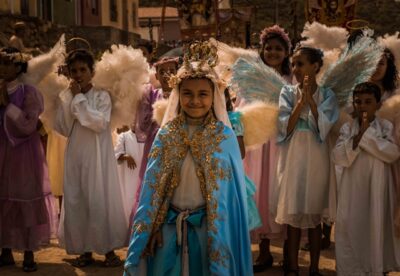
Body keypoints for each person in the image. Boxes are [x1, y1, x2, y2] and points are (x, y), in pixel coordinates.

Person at [124, 41, 253, 275]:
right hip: (168, 226)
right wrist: (153, 226)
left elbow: (228, 197)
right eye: (187, 94)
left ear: (214, 95)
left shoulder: (224, 137)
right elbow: (154, 188)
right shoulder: (167, 134)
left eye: (203, 94)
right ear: (177, 95)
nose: (195, 100)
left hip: (209, 230)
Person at [55, 49, 128, 267]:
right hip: (76, 152)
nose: (78, 74)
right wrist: (71, 99)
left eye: (83, 70)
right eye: (74, 71)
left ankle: (108, 250)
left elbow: (98, 123)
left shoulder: (101, 95)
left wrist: (78, 99)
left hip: (98, 154)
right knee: (78, 198)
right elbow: (64, 127)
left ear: (92, 71)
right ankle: (84, 249)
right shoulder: (67, 96)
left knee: (100, 198)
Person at [274, 46, 339, 275]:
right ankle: (292, 266)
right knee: (293, 210)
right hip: (295, 155)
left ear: (316, 66)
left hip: (318, 155)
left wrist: (311, 101)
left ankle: (313, 267)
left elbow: (325, 127)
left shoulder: (327, 95)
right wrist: (301, 102)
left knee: (314, 209)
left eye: (300, 64)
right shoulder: (287, 93)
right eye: (294, 64)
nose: (296, 69)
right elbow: (284, 127)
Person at [333, 82, 400, 274]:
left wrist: (366, 136)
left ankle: (374, 268)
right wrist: (356, 139)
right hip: (352, 188)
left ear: (378, 105)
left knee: (375, 223)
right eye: (358, 102)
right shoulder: (347, 128)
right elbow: (337, 156)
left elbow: (393, 153)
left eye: (368, 102)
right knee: (349, 224)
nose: (362, 106)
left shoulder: (385, 127)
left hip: (377, 186)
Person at [0, 47, 57, 272]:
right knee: (3, 198)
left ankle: (28, 252)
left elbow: (28, 124)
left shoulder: (28, 92)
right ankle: (5, 250)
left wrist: (7, 104)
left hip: (24, 154)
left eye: (6, 63)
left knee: (24, 198)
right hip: (3, 151)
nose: (2, 68)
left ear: (18, 66)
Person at [249, 25, 293, 272]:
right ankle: (264, 253)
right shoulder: (253, 76)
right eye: (269, 48)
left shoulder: (291, 78)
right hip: (259, 143)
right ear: (262, 50)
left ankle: (289, 253)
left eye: (278, 49)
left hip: (282, 141)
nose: (273, 52)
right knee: (260, 190)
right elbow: (245, 104)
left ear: (287, 53)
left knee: (280, 191)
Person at [132, 57, 180, 214]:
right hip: (155, 145)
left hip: (178, 145)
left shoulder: (182, 94)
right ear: (157, 75)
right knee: (154, 182)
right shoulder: (151, 94)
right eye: (162, 71)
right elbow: (143, 125)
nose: (167, 75)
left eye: (172, 71)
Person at [114, 125, 144, 221]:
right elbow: (116, 155)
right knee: (128, 207)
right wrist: (126, 156)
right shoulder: (124, 136)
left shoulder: (146, 138)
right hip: (128, 180)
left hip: (142, 180)